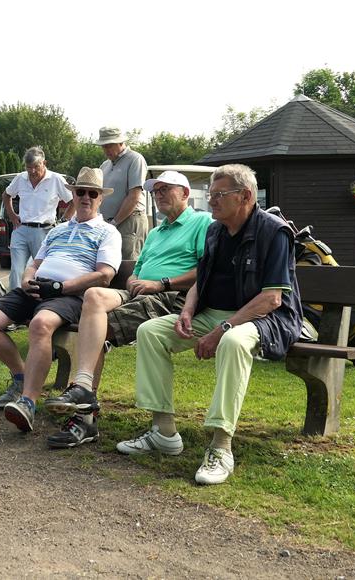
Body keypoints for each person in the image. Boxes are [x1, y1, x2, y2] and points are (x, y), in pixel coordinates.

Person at [117, 164, 301, 485]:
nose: (211, 201)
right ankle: (163, 431)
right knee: (151, 332)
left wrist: (222, 329)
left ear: (245, 196)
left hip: (262, 318)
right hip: (213, 314)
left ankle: (221, 445)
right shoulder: (215, 231)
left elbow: (271, 299)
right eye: (211, 194)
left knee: (232, 342)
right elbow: (201, 281)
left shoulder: (274, 232)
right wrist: (187, 311)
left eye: (219, 195)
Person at [40, 170, 213, 449]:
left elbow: (207, 271)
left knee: (96, 331)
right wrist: (133, 280)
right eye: (155, 191)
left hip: (171, 296)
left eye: (165, 189)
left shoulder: (202, 223)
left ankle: (84, 417)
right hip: (139, 292)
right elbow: (138, 269)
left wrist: (161, 283)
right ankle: (83, 389)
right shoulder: (155, 232)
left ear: (185, 193)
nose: (158, 195)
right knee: (94, 295)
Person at [0, 167, 121, 433]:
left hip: (69, 296)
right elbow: (35, 263)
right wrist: (26, 279)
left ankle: (28, 402)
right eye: (81, 192)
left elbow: (105, 275)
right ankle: (21, 375)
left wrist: (61, 287)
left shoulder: (107, 232)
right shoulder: (57, 230)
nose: (85, 198)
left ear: (100, 198)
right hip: (36, 288)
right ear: (73, 196)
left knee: (40, 324)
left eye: (92, 194)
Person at [3, 146, 75, 290]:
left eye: (36, 166)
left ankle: (41, 299)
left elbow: (73, 201)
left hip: (44, 231)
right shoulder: (21, 178)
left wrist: (64, 221)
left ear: (44, 163)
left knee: (42, 270)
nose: (32, 171)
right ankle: (14, 300)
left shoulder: (56, 179)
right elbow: (6, 195)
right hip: (21, 229)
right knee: (16, 270)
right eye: (29, 167)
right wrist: (12, 215)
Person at [97, 127, 149, 260]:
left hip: (129, 222)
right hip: (108, 224)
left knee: (127, 263)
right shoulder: (105, 165)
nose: (106, 150)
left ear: (120, 142)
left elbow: (134, 197)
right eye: (103, 146)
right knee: (107, 262)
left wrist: (114, 222)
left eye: (109, 145)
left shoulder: (135, 159)